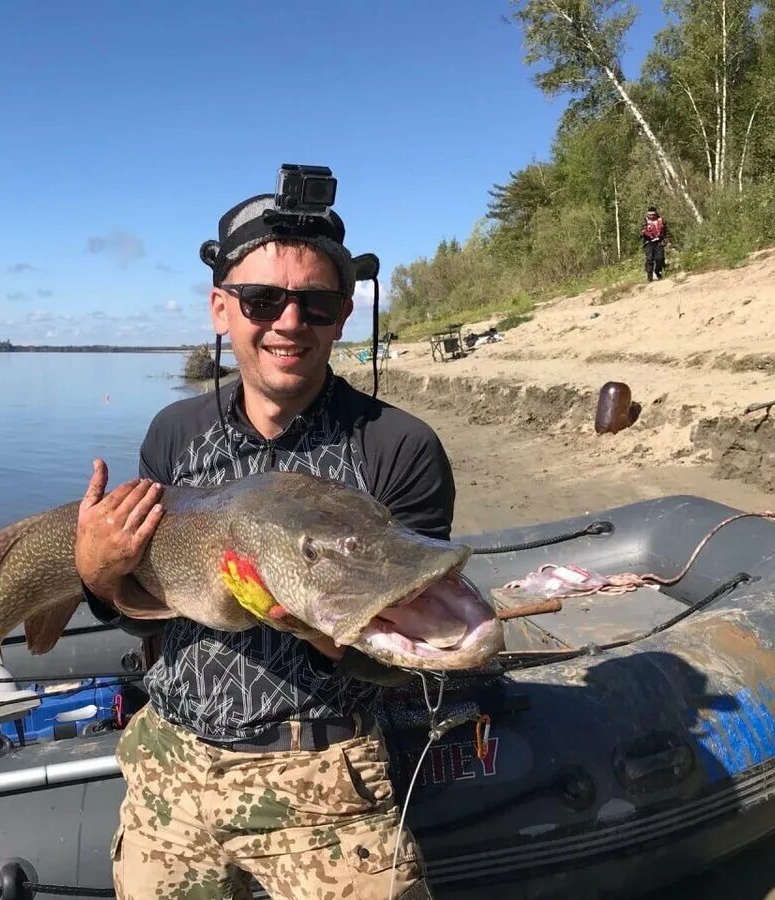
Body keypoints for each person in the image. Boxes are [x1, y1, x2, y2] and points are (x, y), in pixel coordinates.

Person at [75, 166, 455, 900]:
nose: (288, 322)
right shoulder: (173, 434)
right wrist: (98, 576)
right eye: (262, 300)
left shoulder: (397, 448)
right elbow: (147, 613)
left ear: (343, 314)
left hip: (327, 777)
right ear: (221, 309)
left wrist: (325, 636)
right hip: (172, 769)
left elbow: (418, 663)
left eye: (314, 304)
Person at [640, 205, 667, 281]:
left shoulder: (661, 220)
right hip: (648, 242)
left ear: (656, 214)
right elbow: (641, 231)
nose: (651, 216)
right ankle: (649, 277)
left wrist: (666, 239)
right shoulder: (644, 221)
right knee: (650, 259)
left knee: (660, 258)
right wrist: (646, 234)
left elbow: (665, 231)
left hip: (659, 241)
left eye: (653, 214)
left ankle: (658, 271)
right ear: (647, 214)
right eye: (650, 215)